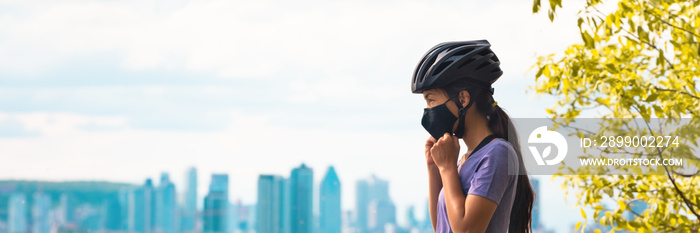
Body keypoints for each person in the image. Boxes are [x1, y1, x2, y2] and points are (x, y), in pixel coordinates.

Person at [412, 40, 534, 233]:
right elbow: (442, 227)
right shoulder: (464, 160)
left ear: (463, 99)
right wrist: (434, 167)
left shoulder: (497, 153)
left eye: (431, 100)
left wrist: (447, 167)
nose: (428, 110)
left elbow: (467, 230)